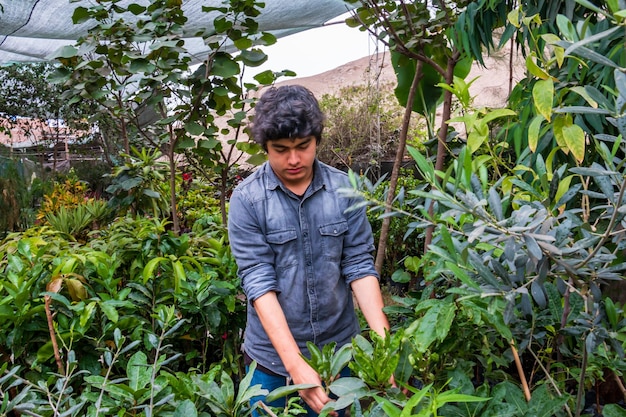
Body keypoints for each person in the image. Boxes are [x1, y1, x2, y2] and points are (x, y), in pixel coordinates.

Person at [227, 85, 391, 416]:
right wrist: (296, 366)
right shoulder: (246, 201)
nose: (293, 159)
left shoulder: (345, 190)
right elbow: (258, 282)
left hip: (338, 353)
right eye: (280, 149)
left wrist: (385, 350)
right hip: (271, 363)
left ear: (317, 140)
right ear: (265, 147)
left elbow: (359, 265)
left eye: (303, 147)